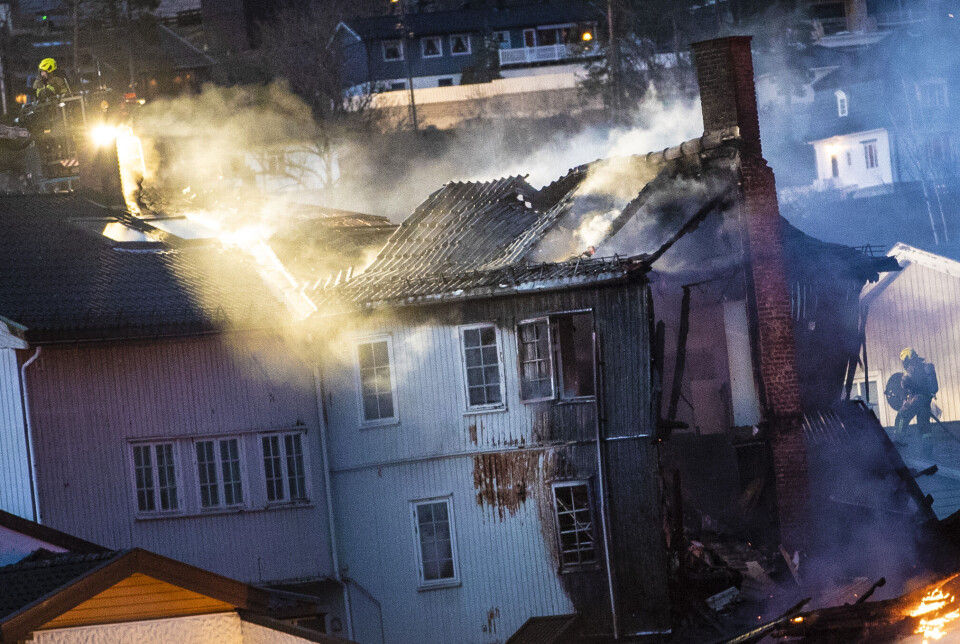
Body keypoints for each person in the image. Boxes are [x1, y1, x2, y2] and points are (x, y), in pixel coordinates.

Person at [894, 347, 939, 439]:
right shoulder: (925, 367)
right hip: (926, 402)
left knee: (901, 416)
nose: (903, 363)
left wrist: (906, 383)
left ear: (907, 358)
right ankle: (927, 450)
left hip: (917, 399)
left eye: (903, 360)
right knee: (924, 427)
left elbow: (914, 386)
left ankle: (899, 440)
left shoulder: (912, 369)